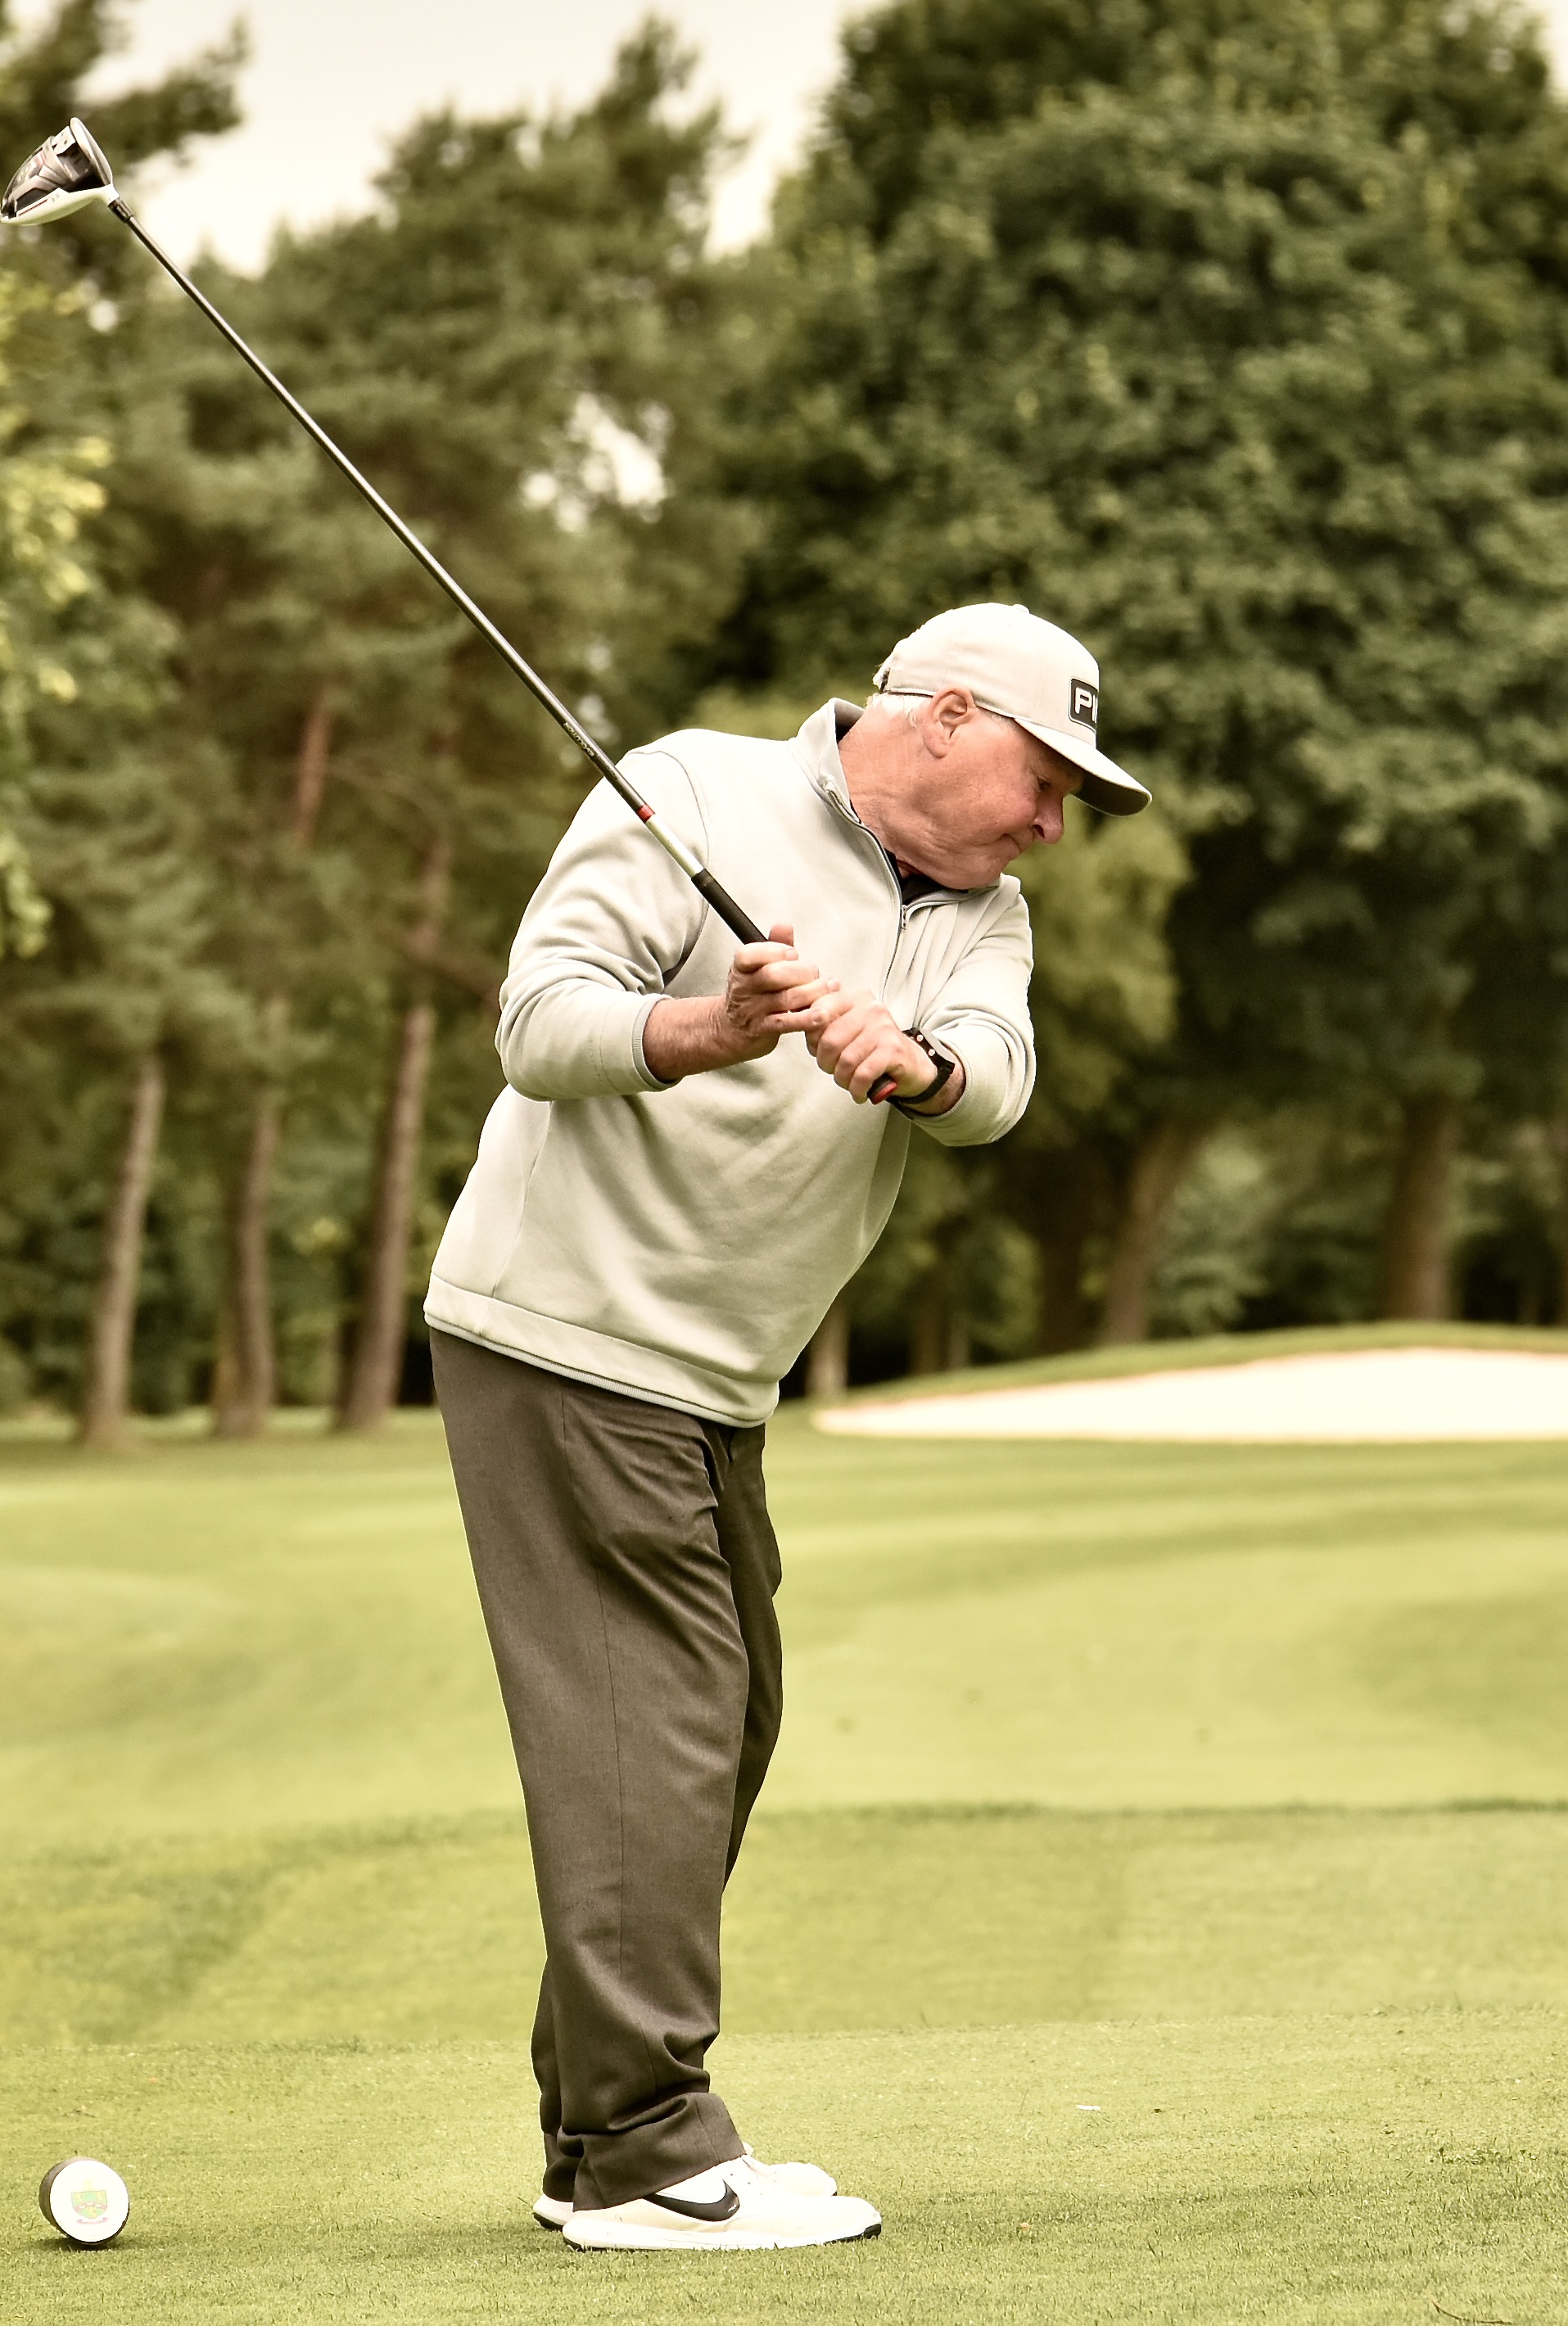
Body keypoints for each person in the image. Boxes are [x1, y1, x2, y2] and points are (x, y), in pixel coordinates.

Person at [423, 603, 1148, 2252]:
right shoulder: (691, 789)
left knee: (717, 1724)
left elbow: (994, 1079)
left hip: (712, 1377)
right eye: (1044, 779)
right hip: (572, 1330)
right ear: (945, 717)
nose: (1052, 823)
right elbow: (538, 1022)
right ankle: (644, 2148)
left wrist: (913, 1063)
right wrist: (711, 1026)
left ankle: (594, 2130)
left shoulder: (984, 915)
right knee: (657, 1725)